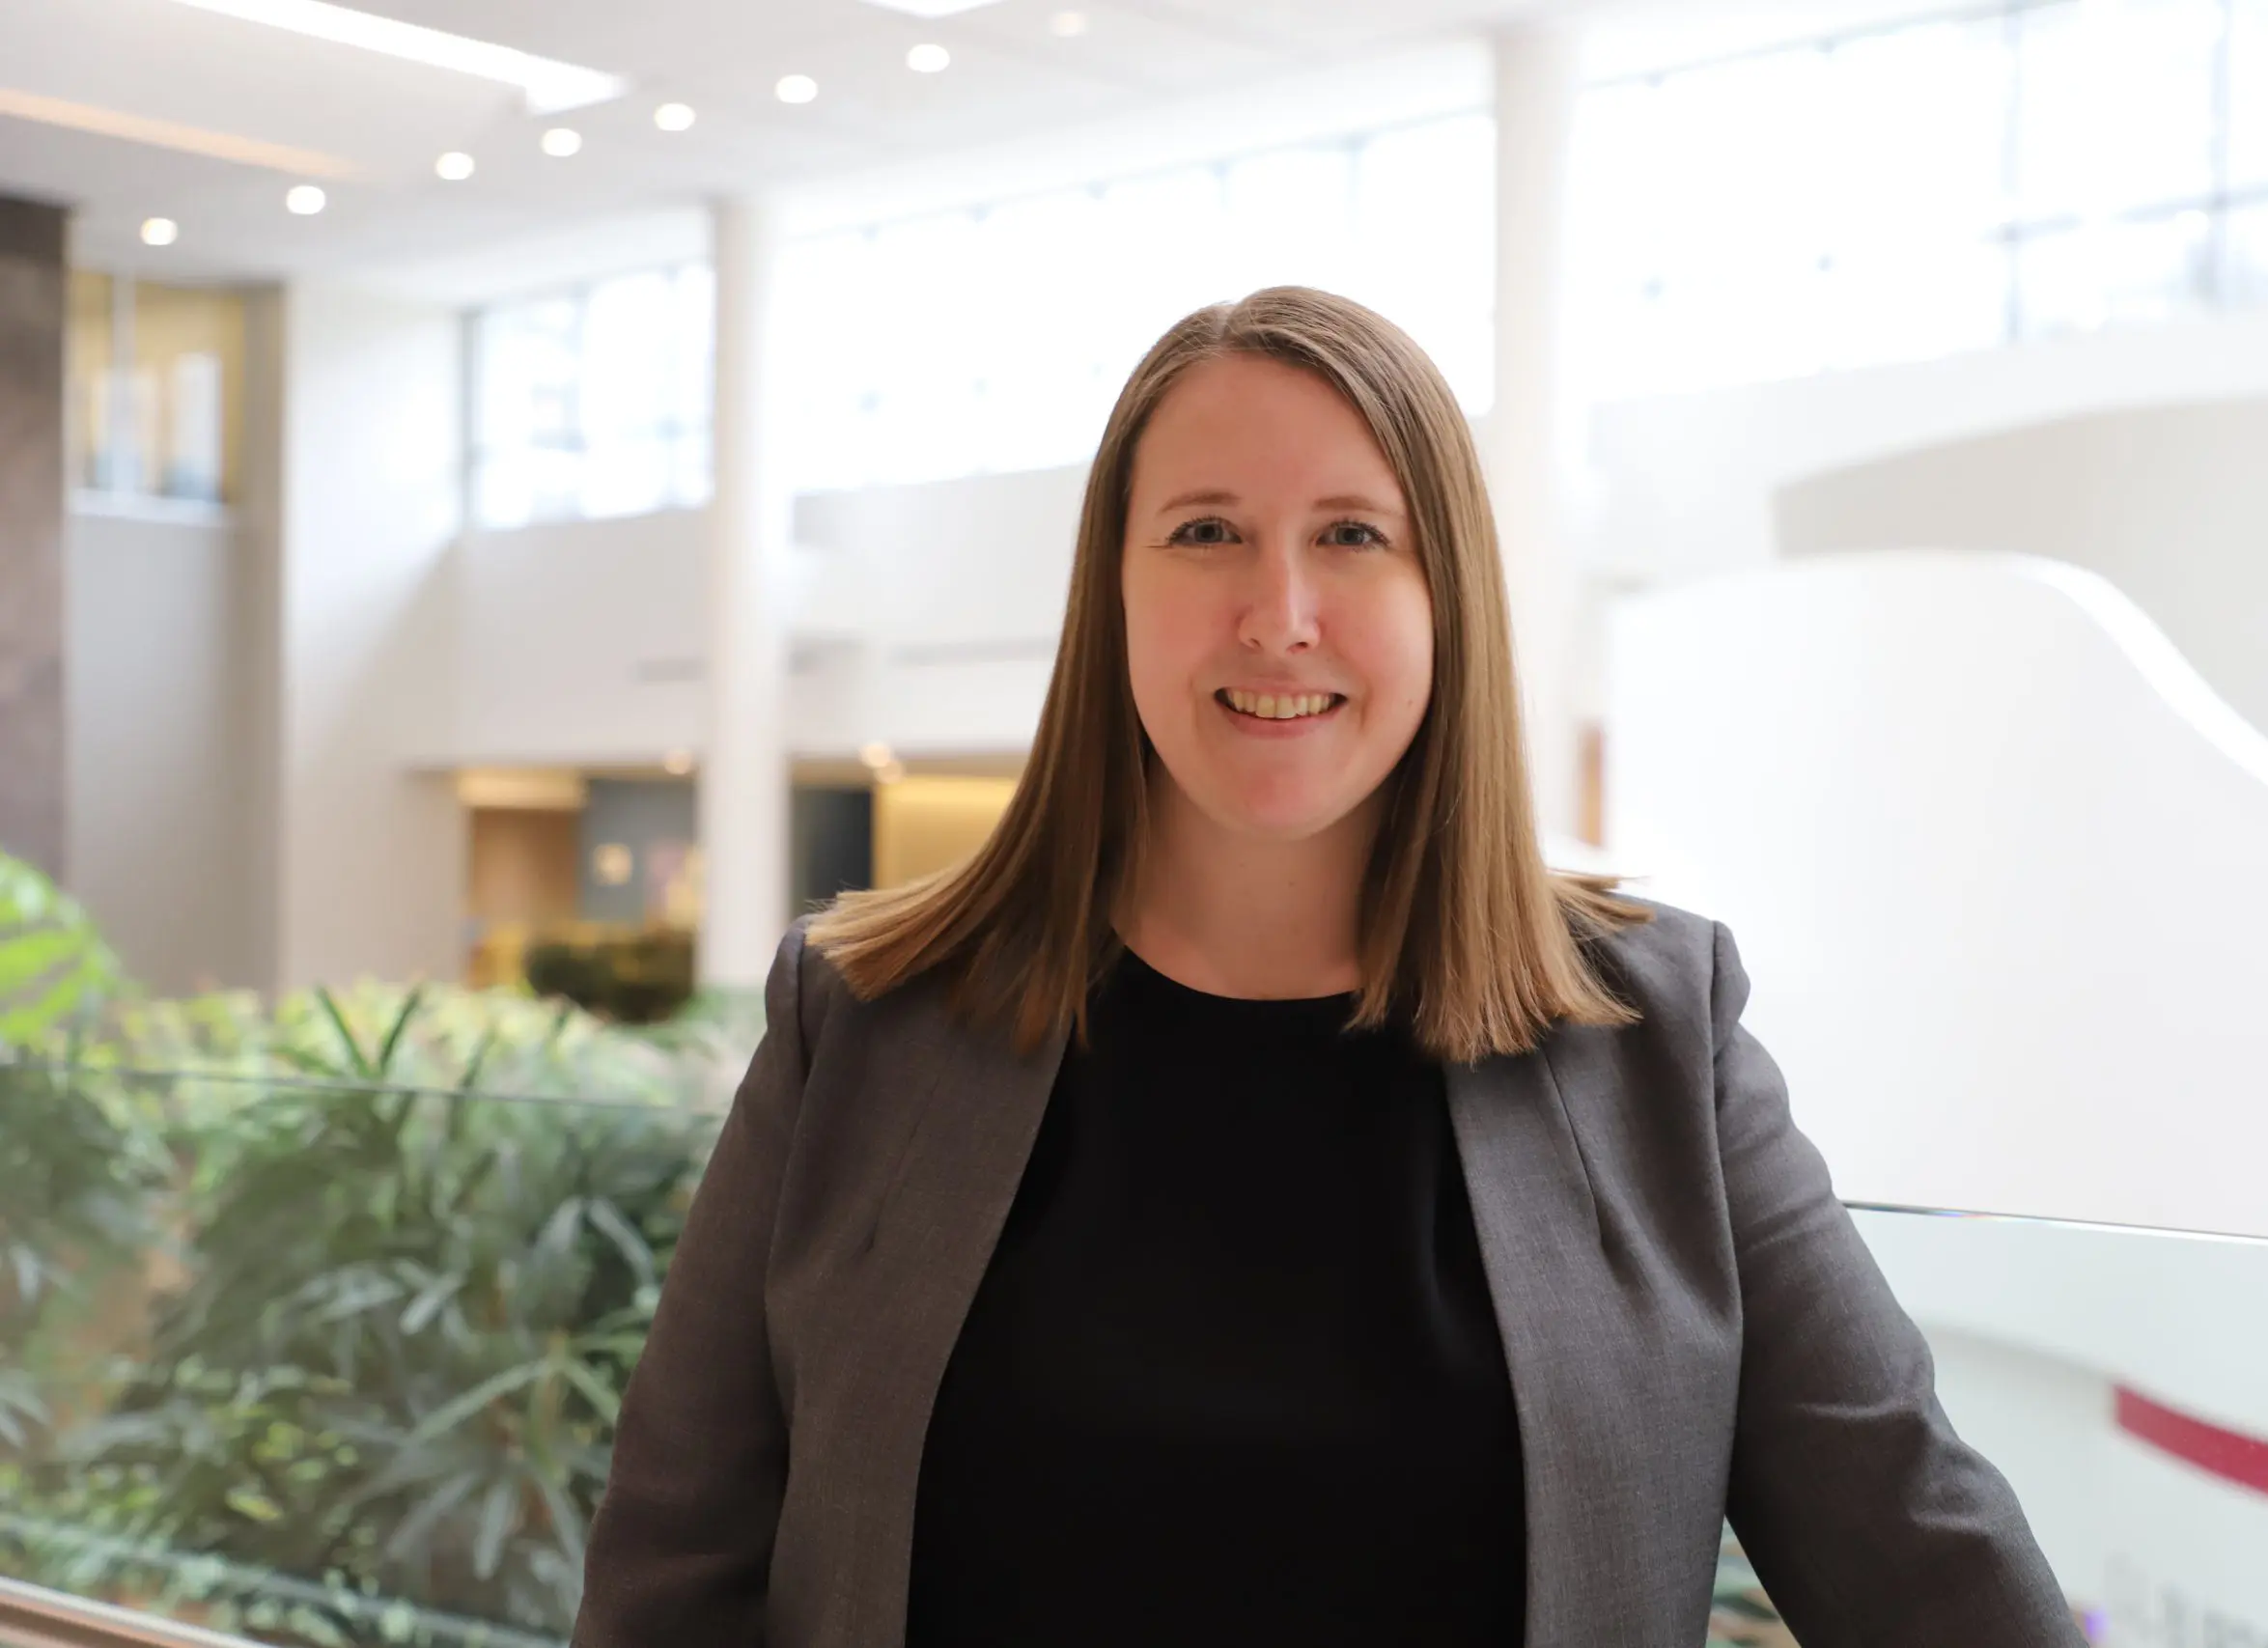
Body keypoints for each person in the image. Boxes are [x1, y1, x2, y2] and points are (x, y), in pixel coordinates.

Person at [571, 287, 2080, 1647]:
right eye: (1206, 530)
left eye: (1352, 535)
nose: (1277, 615)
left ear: (1447, 602)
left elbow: (1924, 1553)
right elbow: (668, 1585)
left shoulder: (1652, 1037)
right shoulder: (866, 1024)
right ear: (1114, 591)